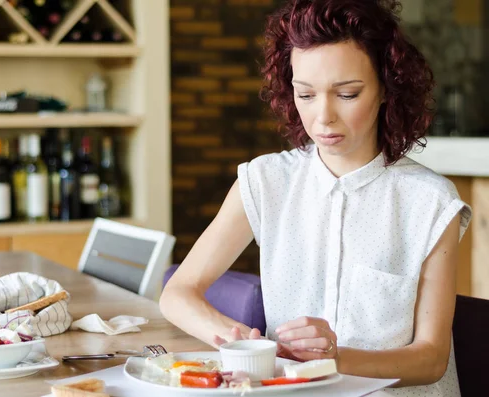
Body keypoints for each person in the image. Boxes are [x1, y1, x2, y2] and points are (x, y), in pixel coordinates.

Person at [160, 0, 472, 395]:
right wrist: (240, 340)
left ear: (385, 91)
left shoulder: (429, 202)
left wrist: (335, 359)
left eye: (347, 94)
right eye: (305, 95)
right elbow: (177, 294)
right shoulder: (265, 182)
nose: (323, 117)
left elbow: (431, 359)